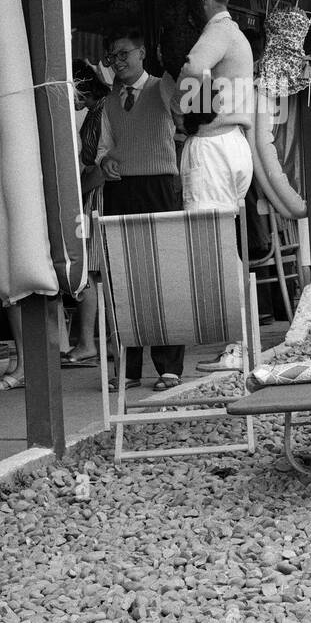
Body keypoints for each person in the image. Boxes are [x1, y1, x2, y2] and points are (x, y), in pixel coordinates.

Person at [94, 28, 185, 392]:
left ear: (142, 52)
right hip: (122, 190)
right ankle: (129, 370)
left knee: (165, 276)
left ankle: (169, 367)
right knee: (124, 279)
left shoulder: (163, 86)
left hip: (162, 186)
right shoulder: (108, 102)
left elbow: (185, 115)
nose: (118, 62)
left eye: (124, 54)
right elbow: (103, 147)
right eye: (112, 57)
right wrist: (104, 164)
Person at [177, 0, 255, 374]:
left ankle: (237, 344)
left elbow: (193, 65)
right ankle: (240, 340)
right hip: (236, 142)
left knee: (217, 249)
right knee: (228, 246)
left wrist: (191, 110)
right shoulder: (239, 36)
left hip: (213, 142)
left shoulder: (219, 30)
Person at [63, 58, 109, 367]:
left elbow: (100, 167)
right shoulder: (102, 109)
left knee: (89, 270)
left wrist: (75, 194)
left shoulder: (100, 113)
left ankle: (86, 343)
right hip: (100, 193)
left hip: (98, 194)